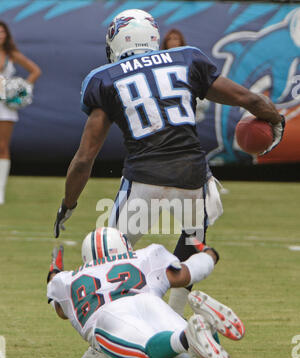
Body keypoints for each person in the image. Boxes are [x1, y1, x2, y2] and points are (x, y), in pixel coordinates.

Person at [53, 8, 284, 320]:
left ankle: (103, 336)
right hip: (192, 174)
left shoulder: (104, 80)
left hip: (144, 177)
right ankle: (175, 321)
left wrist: (69, 202)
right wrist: (275, 119)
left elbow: (84, 158)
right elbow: (248, 99)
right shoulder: (185, 58)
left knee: (110, 257)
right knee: (192, 246)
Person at [47, 227, 245, 358]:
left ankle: (186, 337)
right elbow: (188, 273)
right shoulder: (145, 257)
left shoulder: (68, 280)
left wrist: (54, 271)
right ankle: (204, 326)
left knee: (146, 357)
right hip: (150, 303)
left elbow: (60, 309)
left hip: (110, 315)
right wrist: (210, 255)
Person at [0, 21, 41, 205]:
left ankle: (0, 192)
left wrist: (21, 89)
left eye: (2, 32)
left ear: (7, 35)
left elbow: (35, 71)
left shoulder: (11, 55)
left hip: (5, 107)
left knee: (2, 147)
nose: (0, 35)